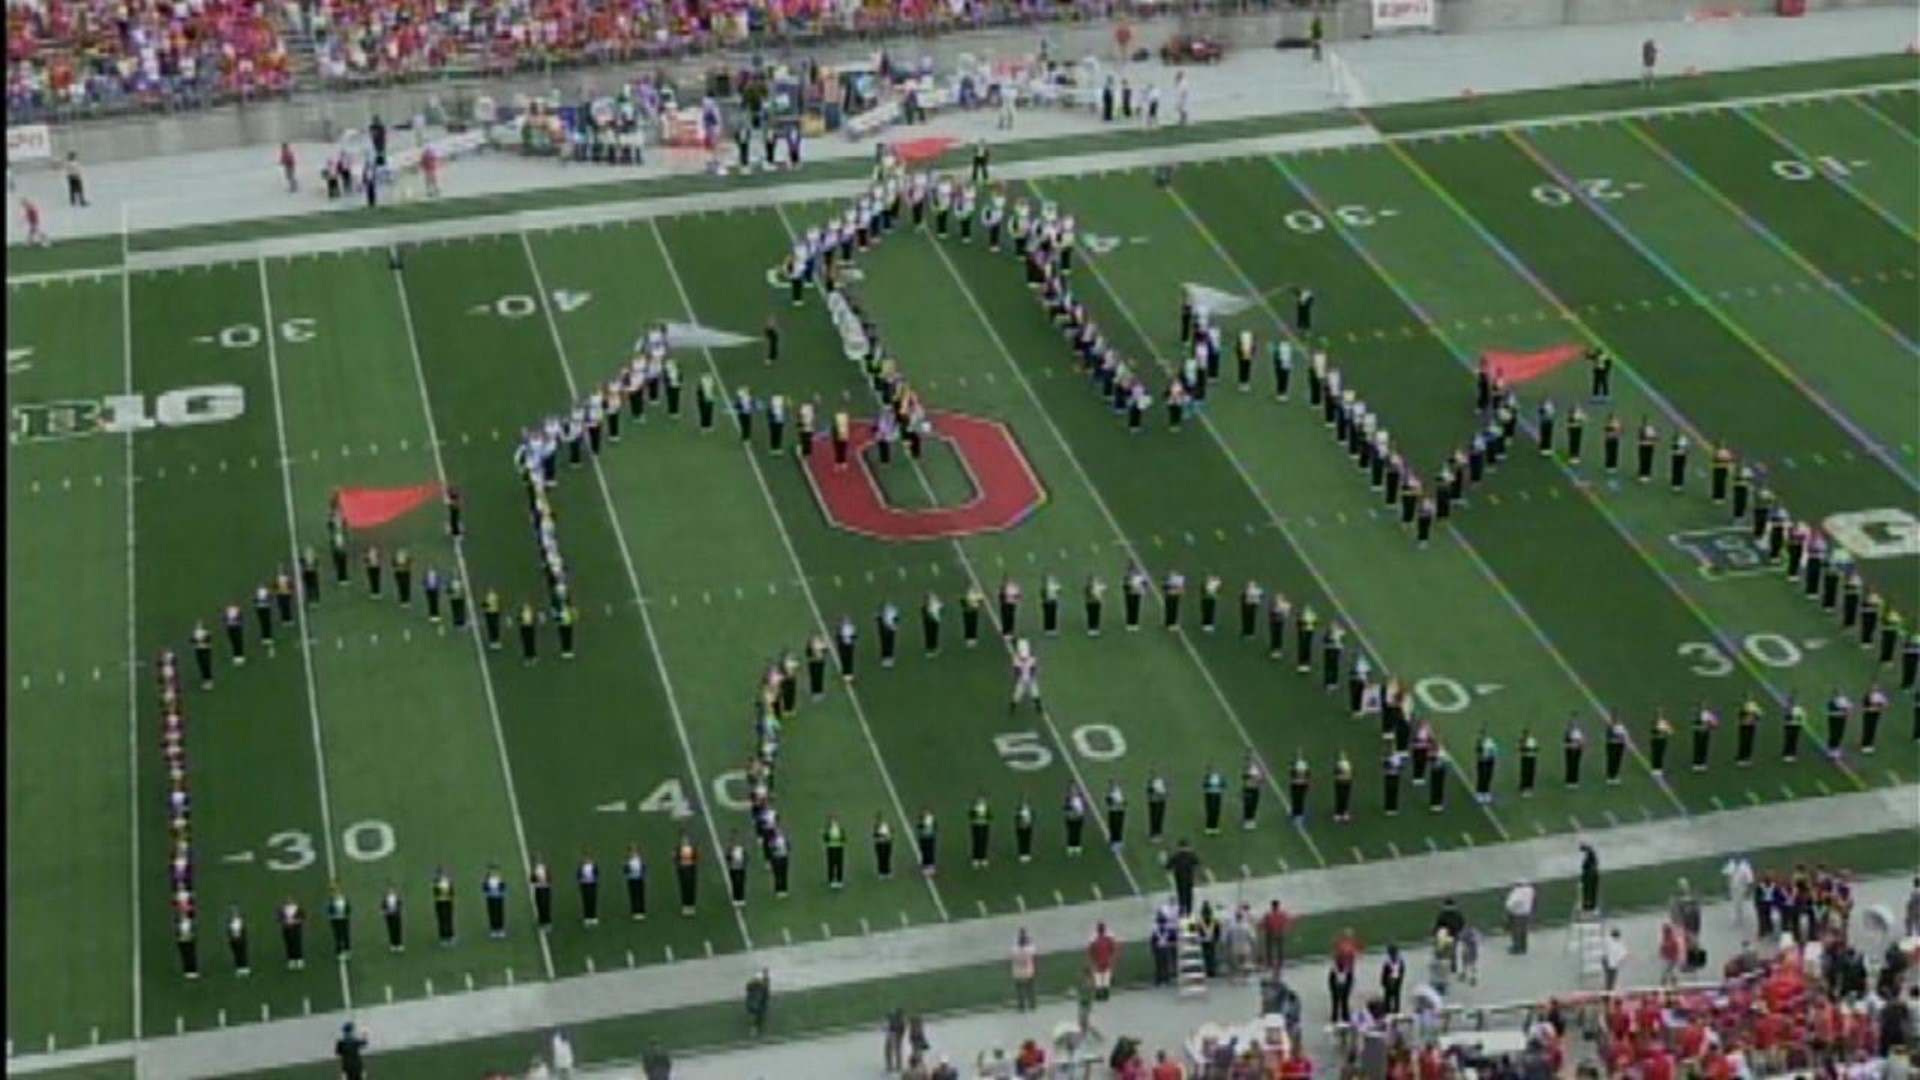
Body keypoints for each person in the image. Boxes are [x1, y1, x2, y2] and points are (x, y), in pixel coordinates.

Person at [1504, 879, 1536, 954]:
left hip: (1517, 914)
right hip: (1526, 913)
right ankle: (1523, 947)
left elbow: (1509, 904)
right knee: (1523, 932)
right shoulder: (1530, 890)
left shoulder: (1517, 892)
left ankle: (1516, 948)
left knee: (1516, 932)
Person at [1010, 928, 1038, 1011]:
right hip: (1028, 972)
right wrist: (1029, 941)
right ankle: (1032, 1005)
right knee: (1031, 989)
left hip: (1018, 973)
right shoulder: (1029, 950)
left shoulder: (1014, 950)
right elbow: (1034, 948)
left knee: (1020, 991)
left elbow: (1012, 950)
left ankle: (1021, 1006)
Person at [744, 968, 770, 1037]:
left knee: (758, 1016)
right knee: (758, 1016)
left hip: (755, 1005)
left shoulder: (756, 989)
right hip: (756, 1005)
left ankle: (756, 1029)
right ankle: (756, 1029)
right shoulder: (758, 989)